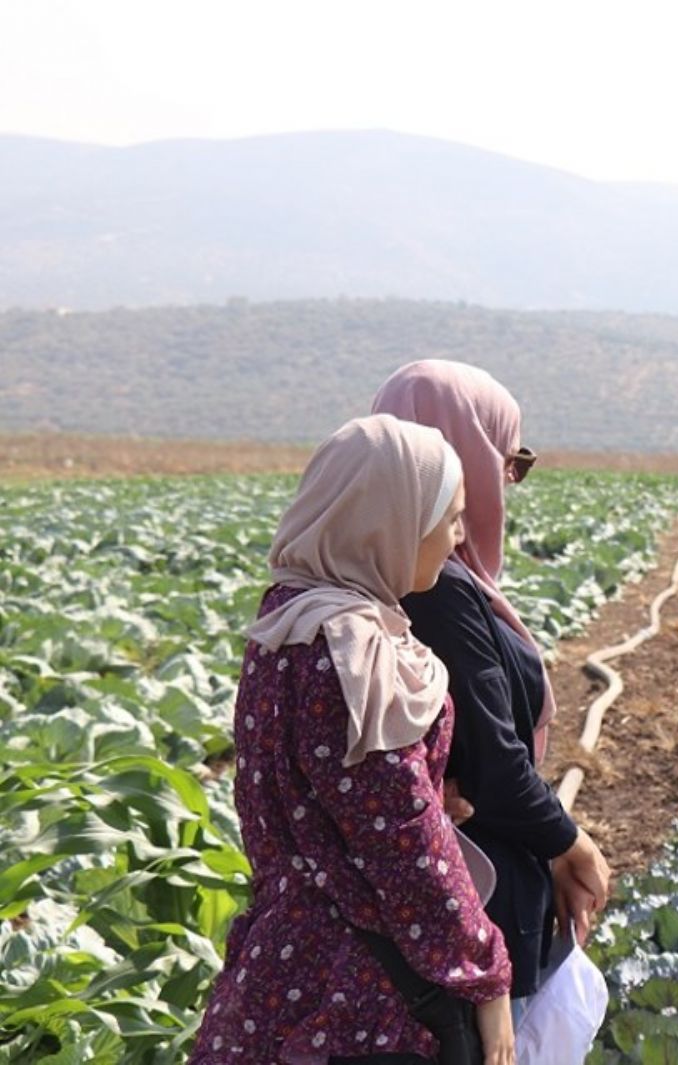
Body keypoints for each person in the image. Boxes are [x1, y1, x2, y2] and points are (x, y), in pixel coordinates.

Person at [193, 414, 516, 1064]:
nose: (457, 537)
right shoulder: (352, 650)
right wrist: (487, 973)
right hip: (359, 998)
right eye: (449, 518)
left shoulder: (285, 616)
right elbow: (402, 844)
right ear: (390, 521)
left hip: (282, 960)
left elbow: (317, 802)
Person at [372, 360, 611, 1028]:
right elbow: (491, 761)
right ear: (459, 454)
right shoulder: (435, 588)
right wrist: (571, 845)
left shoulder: (392, 575)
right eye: (508, 458)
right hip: (471, 906)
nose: (508, 478)